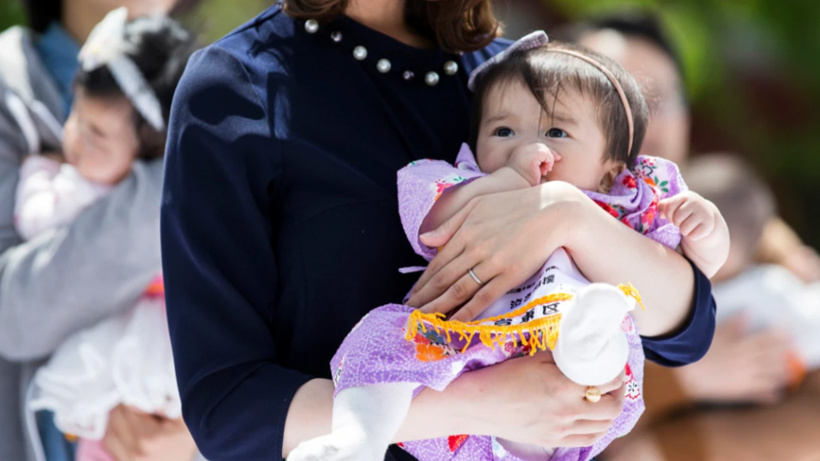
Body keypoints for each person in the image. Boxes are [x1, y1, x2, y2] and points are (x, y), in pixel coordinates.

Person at [160, 2, 717, 460]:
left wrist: (564, 211)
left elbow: (685, 328)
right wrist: (481, 403)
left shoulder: (519, 84)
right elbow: (226, 405)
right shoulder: (236, 87)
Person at [567, 12, 820, 461]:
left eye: (656, 99)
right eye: (612, 102)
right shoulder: (546, 254)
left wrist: (664, 448)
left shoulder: (743, 225)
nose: (638, 122)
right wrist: (682, 379)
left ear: (686, 117)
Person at [0, 1, 199, 460]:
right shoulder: (12, 87)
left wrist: (197, 425)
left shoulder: (215, 92)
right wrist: (179, 180)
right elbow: (14, 313)